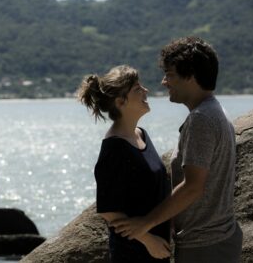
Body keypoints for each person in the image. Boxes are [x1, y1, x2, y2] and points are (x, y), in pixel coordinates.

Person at [110, 37, 243, 263]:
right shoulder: (213, 110)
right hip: (214, 241)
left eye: (169, 74)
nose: (163, 82)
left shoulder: (202, 119)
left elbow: (193, 187)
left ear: (190, 76)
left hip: (206, 247)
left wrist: (145, 225)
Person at [78, 65, 171, 262]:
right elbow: (109, 211)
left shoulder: (141, 134)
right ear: (121, 102)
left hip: (157, 250)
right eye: (138, 89)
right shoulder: (114, 148)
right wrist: (149, 241)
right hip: (134, 253)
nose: (146, 91)